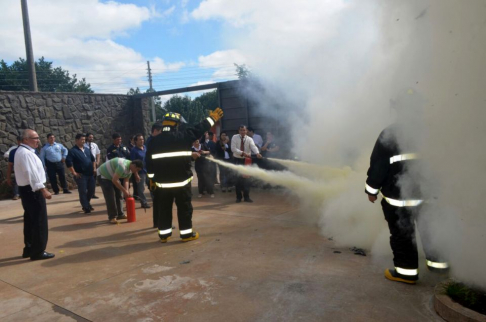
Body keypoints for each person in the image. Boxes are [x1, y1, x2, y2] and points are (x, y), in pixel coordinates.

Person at [365, 88, 449, 285]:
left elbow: (378, 166)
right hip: (429, 196)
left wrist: (371, 190)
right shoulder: (431, 131)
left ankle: (406, 272)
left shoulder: (390, 133)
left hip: (399, 199)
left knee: (403, 234)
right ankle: (439, 265)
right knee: (431, 229)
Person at [146, 108, 223, 243]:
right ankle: (186, 234)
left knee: (164, 208)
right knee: (184, 208)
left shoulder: (153, 141)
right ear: (176, 124)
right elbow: (199, 128)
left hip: (162, 184)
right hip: (181, 183)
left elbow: (149, 162)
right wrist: (212, 118)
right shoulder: (183, 136)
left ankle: (164, 235)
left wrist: (152, 179)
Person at [15, 129, 54, 260]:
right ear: (25, 139)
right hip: (33, 191)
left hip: (27, 191)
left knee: (30, 220)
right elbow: (31, 174)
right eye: (34, 138)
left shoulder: (24, 152)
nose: (38, 140)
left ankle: (30, 248)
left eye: (38, 138)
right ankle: (37, 251)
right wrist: (42, 189)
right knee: (39, 221)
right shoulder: (25, 153)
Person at [97, 158, 143, 224]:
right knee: (110, 197)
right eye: (137, 170)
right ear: (134, 166)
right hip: (103, 176)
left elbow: (126, 180)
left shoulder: (130, 169)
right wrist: (124, 190)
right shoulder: (122, 166)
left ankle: (120, 214)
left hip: (112, 176)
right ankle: (112, 217)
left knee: (119, 195)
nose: (136, 172)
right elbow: (114, 180)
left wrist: (126, 191)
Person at [230, 125, 262, 203]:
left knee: (247, 179)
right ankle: (238, 197)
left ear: (246, 131)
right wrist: (242, 153)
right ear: (239, 131)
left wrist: (257, 153)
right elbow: (233, 148)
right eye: (241, 130)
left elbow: (253, 147)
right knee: (238, 179)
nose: (242, 132)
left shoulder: (249, 139)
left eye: (244, 130)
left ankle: (246, 197)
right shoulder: (234, 137)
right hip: (237, 160)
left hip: (246, 160)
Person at [66, 134, 96, 214]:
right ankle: (86, 207)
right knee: (82, 191)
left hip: (90, 174)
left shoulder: (87, 149)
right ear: (76, 140)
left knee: (91, 190)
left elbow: (93, 160)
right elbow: (69, 163)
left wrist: (94, 168)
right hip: (81, 175)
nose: (83, 141)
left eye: (84, 139)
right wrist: (74, 173)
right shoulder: (72, 151)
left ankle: (87, 203)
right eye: (82, 139)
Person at [130, 133, 151, 208]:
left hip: (148, 170)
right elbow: (133, 164)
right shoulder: (134, 150)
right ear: (136, 141)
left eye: (142, 139)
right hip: (140, 172)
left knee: (152, 186)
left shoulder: (145, 148)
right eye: (140, 140)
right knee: (141, 188)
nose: (142, 141)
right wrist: (136, 174)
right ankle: (144, 202)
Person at [85, 133, 101, 199]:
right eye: (90, 137)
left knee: (93, 179)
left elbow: (98, 153)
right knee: (86, 179)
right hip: (86, 164)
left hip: (94, 164)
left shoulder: (94, 145)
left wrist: (98, 161)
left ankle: (92, 193)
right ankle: (86, 193)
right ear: (86, 137)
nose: (91, 138)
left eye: (92, 137)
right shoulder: (84, 145)